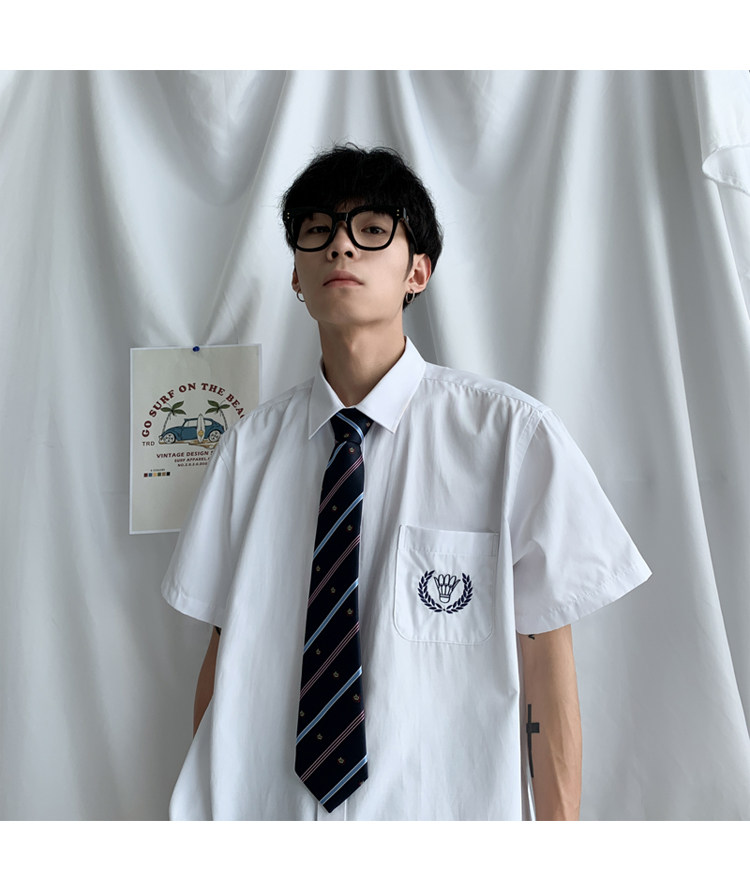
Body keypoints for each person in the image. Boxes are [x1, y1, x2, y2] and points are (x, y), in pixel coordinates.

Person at [162, 144, 651, 820]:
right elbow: (223, 654)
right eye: (317, 230)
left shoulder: (511, 439)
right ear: (297, 276)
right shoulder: (248, 451)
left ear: (418, 270)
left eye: (371, 229)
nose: (340, 246)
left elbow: (546, 664)